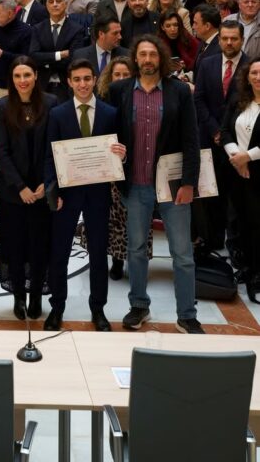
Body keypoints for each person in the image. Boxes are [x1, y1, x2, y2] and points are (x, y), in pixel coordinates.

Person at [109, 36, 204, 334]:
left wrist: (189, 183)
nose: (148, 59)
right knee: (136, 249)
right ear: (135, 59)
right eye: (143, 54)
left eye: (153, 54)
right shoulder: (120, 91)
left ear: (160, 58)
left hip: (172, 186)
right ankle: (139, 306)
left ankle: (187, 314)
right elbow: (110, 134)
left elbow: (192, 138)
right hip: (135, 184)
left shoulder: (178, 91)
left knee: (182, 253)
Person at [44, 59, 124, 332]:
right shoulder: (58, 114)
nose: (82, 84)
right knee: (60, 253)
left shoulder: (111, 114)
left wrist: (121, 156)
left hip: (99, 193)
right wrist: (52, 190)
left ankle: (98, 309)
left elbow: (120, 151)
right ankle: (57, 307)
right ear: (69, 81)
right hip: (67, 194)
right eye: (77, 79)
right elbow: (50, 157)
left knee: (99, 253)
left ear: (95, 79)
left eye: (87, 78)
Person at [0, 56, 57, 321]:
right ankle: (19, 295)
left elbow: (54, 147)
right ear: (12, 79)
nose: (23, 81)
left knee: (39, 245)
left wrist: (46, 182)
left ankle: (35, 297)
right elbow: (2, 150)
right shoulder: (3, 105)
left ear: (35, 77)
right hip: (13, 192)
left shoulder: (51, 104)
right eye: (18, 76)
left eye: (27, 75)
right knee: (16, 245)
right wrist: (20, 186)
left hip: (43, 190)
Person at [193, 21, 245, 254]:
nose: (229, 42)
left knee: (237, 197)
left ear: (242, 40)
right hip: (210, 138)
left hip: (239, 143)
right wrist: (215, 131)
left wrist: (226, 136)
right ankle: (212, 240)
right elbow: (199, 99)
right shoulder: (207, 63)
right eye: (225, 38)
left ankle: (236, 246)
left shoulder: (251, 66)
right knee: (210, 193)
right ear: (220, 39)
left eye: (234, 38)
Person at [95, 57, 144, 281]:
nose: (122, 79)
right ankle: (111, 258)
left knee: (130, 217)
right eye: (117, 75)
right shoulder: (101, 100)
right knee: (108, 217)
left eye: (126, 75)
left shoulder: (142, 99)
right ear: (109, 77)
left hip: (135, 166)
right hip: (105, 168)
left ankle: (127, 259)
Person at [221, 57, 260, 302]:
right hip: (237, 172)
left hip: (258, 173)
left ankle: (258, 276)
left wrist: (249, 156)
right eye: (254, 72)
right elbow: (225, 130)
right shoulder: (238, 101)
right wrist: (236, 156)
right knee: (240, 223)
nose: (258, 77)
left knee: (259, 226)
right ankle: (245, 268)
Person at [28, 0, 85, 102]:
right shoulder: (37, 28)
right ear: (46, 6)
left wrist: (45, 62)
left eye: (58, 1)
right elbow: (33, 57)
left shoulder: (77, 29)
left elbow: (73, 60)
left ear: (65, 4)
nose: (55, 4)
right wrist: (59, 55)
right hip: (42, 85)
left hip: (66, 85)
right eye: (51, 1)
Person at [157, 9, 200, 74]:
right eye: (168, 26)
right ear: (162, 27)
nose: (172, 29)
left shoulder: (188, 38)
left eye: (175, 25)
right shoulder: (158, 42)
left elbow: (199, 62)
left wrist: (185, 66)